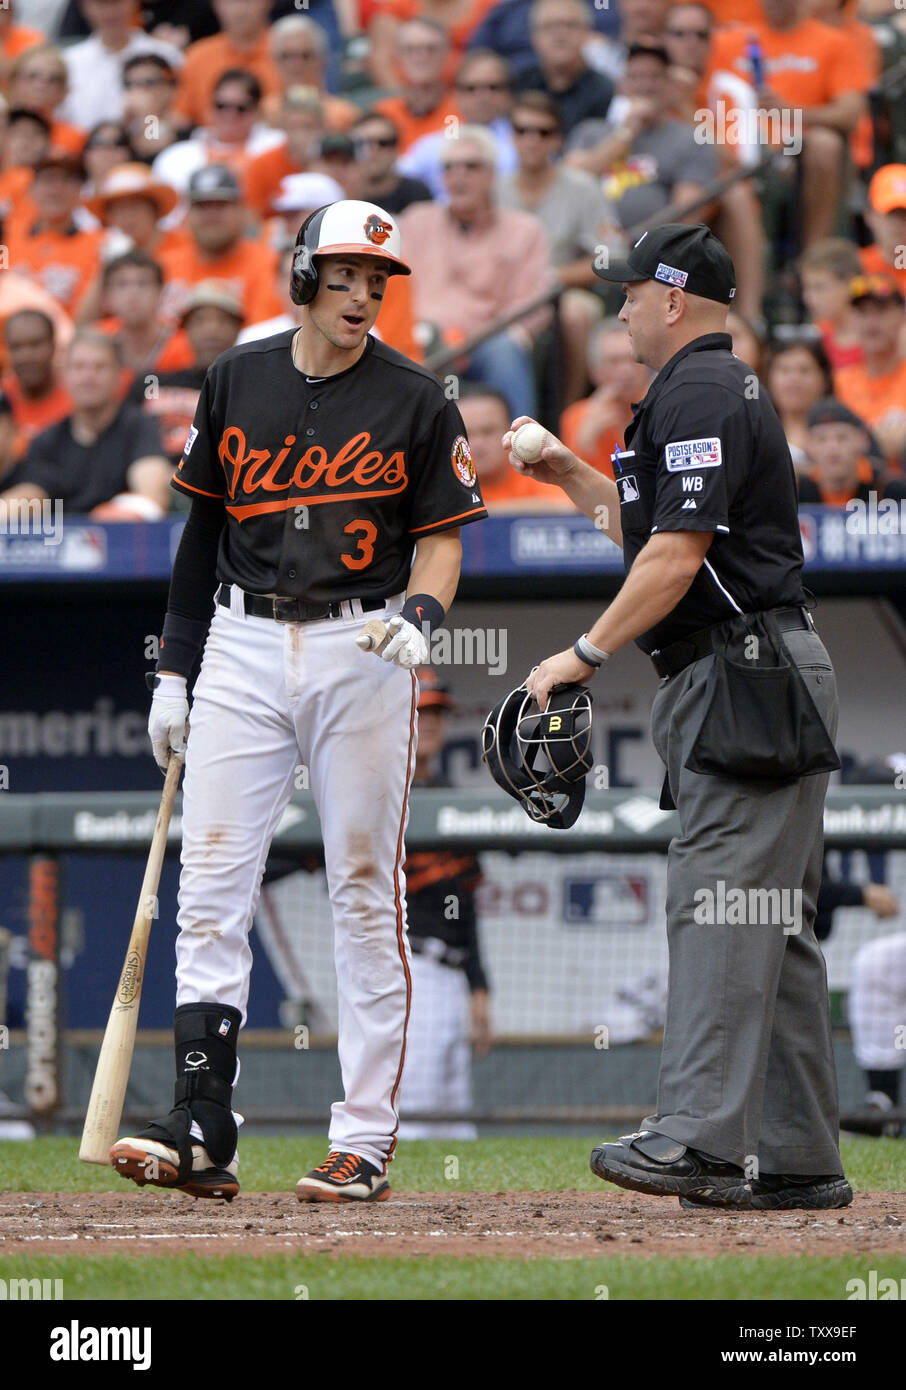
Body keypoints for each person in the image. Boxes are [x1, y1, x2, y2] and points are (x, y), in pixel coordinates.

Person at [108, 199, 487, 1203]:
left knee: (364, 886)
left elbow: (444, 535)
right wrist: (172, 668)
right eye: (347, 273)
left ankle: (361, 1136)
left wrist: (422, 613)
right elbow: (198, 537)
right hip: (237, 638)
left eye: (378, 278)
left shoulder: (416, 396)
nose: (363, 291)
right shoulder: (236, 374)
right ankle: (202, 1122)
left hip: (359, 640)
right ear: (303, 275)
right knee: (212, 884)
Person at [507, 222, 851, 1211]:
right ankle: (791, 1152)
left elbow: (677, 555)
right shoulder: (696, 390)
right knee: (769, 920)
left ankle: (699, 1140)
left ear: (673, 298)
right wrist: (571, 474)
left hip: (746, 672)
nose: (616, 312)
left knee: (717, 904)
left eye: (629, 294)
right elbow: (650, 533)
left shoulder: (702, 384)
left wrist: (579, 657)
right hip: (754, 668)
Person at [400, 125, 554, 419]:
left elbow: (533, 303)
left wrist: (511, 337)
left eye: (471, 166)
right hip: (423, 337)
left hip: (485, 341)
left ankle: (521, 454)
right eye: (449, 167)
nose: (459, 175)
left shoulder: (524, 229)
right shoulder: (416, 220)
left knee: (505, 350)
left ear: (493, 173)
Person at [397, 668, 491, 1141]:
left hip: (450, 976)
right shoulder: (377, 796)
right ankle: (389, 1213)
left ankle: (459, 1216)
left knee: (455, 1120)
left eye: (437, 713)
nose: (430, 722)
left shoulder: (453, 800)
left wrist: (479, 987)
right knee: (415, 1114)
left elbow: (467, 908)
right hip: (408, 966)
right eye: (420, 711)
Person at [705, 0, 871, 249]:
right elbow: (704, 102)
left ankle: (815, 253)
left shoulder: (833, 42)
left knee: (825, 144)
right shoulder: (729, 41)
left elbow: (850, 113)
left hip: (797, 147)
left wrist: (788, 112)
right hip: (737, 143)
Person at [498, 90, 622, 405]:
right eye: (522, 131)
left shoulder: (582, 187)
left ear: (558, 140)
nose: (532, 140)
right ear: (512, 137)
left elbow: (614, 256)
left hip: (560, 291)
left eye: (543, 132)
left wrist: (555, 276)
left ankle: (567, 412)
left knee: (575, 315)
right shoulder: (494, 188)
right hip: (499, 290)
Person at [0, 329, 171, 518]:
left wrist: (115, 516)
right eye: (79, 367)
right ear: (64, 376)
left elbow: (152, 495)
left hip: (125, 537)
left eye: (100, 367)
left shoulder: (140, 426)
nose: (88, 376)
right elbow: (31, 493)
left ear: (120, 377)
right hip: (64, 543)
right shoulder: (47, 440)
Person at [565, 43, 718, 234]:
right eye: (635, 77)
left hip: (649, 251)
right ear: (621, 84)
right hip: (586, 245)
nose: (645, 85)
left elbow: (687, 215)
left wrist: (634, 243)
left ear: (669, 84)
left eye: (655, 77)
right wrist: (626, 133)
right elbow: (568, 182)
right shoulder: (590, 131)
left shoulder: (692, 140)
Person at [126, 279, 244, 465]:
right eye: (200, 320)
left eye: (223, 320)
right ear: (185, 329)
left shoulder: (246, 391)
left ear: (238, 329)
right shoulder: (151, 382)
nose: (211, 330)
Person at [157, 164, 285, 327]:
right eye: (202, 206)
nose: (211, 216)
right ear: (187, 214)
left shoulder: (271, 265)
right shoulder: (164, 265)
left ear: (242, 211)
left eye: (221, 205)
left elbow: (262, 335)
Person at [397, 47, 519, 202]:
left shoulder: (525, 141)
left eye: (493, 87)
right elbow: (397, 178)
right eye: (471, 88)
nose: (483, 96)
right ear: (456, 96)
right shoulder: (433, 144)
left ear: (509, 94)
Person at [152, 68, 284, 200]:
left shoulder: (277, 147)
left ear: (257, 111)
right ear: (210, 106)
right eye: (221, 106)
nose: (230, 114)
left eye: (241, 108)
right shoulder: (175, 157)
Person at [4, 153, 105, 318]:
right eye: (48, 180)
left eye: (66, 180)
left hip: (72, 337)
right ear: (31, 189)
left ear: (81, 190)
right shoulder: (7, 238)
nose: (56, 189)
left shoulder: (100, 244)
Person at [57, 0, 182, 130]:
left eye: (117, 2)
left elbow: (174, 120)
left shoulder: (168, 56)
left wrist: (149, 121)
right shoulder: (68, 62)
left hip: (151, 140)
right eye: (101, 4)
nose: (110, 12)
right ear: (85, 7)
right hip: (82, 147)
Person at [558, 317, 652, 477]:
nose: (626, 371)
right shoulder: (576, 417)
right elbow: (571, 485)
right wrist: (586, 440)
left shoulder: (661, 405)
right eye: (614, 362)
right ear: (594, 371)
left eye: (631, 359)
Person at [833, 273, 906, 469]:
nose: (871, 322)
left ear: (902, 316)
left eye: (881, 311)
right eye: (862, 313)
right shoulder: (840, 380)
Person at [173, 0, 280, 133]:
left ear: (267, 3)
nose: (240, 10)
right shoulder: (197, 56)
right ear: (216, 5)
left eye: (249, 2)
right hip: (212, 146)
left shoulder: (292, 52)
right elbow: (181, 118)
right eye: (231, 2)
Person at [513, 0, 614, 136]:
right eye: (550, 26)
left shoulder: (606, 91)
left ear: (587, 33)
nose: (560, 35)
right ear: (534, 37)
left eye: (569, 25)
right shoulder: (519, 86)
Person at [840, 932, 906, 1139]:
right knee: (884, 1041)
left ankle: (886, 1115)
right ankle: (885, 1116)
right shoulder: (881, 957)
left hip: (877, 962)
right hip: (879, 967)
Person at [458, 383, 562, 509]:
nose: (478, 444)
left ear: (511, 432)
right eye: (467, 434)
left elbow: (568, 510)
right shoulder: (440, 481)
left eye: (488, 431)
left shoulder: (535, 471)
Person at [796, 398, 906, 507]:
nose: (832, 447)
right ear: (808, 445)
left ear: (863, 440)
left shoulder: (889, 488)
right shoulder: (796, 490)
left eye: (842, 437)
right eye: (821, 439)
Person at [373, 18, 459, 154]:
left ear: (447, 55)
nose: (421, 57)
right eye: (410, 50)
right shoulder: (383, 114)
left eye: (431, 49)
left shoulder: (461, 110)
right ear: (397, 57)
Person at [1, 309, 71, 463]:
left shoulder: (76, 398)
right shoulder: (2, 399)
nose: (26, 356)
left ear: (54, 345)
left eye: (36, 344)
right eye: (16, 347)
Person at [763, 337, 833, 472]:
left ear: (825, 379)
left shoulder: (841, 430)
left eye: (804, 370)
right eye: (784, 370)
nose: (794, 379)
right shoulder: (759, 433)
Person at [797, 239, 865, 372]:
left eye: (819, 288)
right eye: (807, 288)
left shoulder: (877, 337)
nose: (808, 298)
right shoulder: (817, 336)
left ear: (850, 283)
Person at [348, 112, 432, 216]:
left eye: (384, 143)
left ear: (397, 149)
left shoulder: (417, 194)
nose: (374, 150)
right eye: (363, 144)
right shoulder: (343, 195)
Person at [860, 163, 906, 297]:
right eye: (890, 215)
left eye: (904, 215)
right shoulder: (854, 269)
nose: (897, 224)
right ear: (869, 216)